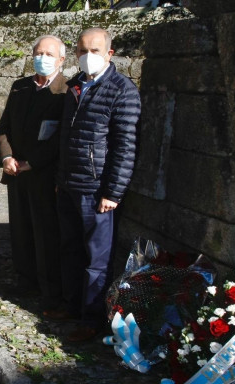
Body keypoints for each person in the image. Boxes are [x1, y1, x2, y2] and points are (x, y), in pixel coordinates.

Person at [55, 27, 140, 342]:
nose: (86, 56)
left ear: (109, 53)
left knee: (96, 259)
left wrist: (113, 193)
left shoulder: (122, 90)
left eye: (94, 50)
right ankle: (71, 305)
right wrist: (59, 180)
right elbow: (66, 139)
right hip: (69, 185)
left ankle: (91, 320)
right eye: (81, 50)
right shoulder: (75, 86)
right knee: (70, 250)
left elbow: (125, 146)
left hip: (97, 191)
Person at [0, 35, 67, 314]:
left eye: (49, 54)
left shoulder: (66, 91)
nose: (43, 58)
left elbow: (62, 135)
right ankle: (24, 279)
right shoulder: (20, 87)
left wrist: (33, 162)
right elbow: (4, 129)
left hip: (44, 175)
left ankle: (50, 290)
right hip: (15, 172)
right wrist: (6, 156)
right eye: (38, 53)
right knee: (20, 229)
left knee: (46, 233)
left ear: (62, 59)